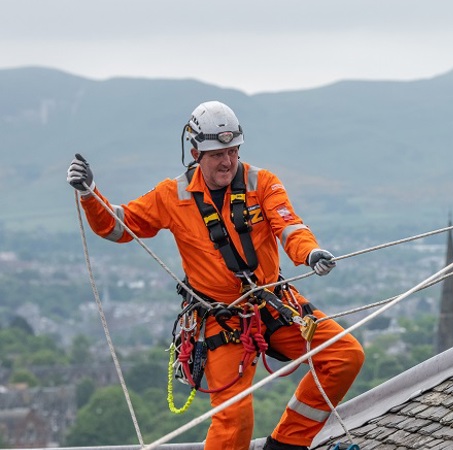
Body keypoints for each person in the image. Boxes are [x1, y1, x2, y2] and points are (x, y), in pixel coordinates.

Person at [67, 100, 365, 450]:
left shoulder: (262, 183)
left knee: (344, 355)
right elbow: (120, 226)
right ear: (195, 153)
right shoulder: (172, 196)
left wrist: (309, 252)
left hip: (273, 303)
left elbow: (289, 226)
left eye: (232, 151)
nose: (227, 161)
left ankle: (287, 444)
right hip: (219, 320)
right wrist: (90, 194)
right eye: (216, 154)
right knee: (234, 419)